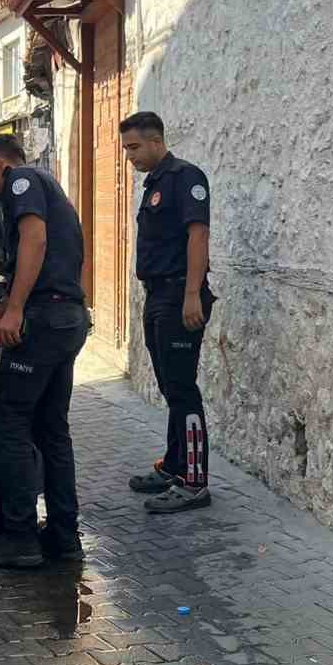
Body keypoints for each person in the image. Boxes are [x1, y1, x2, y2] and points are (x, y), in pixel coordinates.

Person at [0, 135, 90, 569]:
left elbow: (34, 243)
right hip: (66, 316)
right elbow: (38, 265)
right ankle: (62, 535)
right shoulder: (47, 183)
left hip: (43, 321)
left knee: (11, 424)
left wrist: (15, 312)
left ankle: (17, 537)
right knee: (52, 430)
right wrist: (0, 310)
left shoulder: (21, 182)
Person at [121, 112, 218, 512]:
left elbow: (199, 235)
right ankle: (174, 465)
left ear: (157, 141)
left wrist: (192, 295)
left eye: (134, 147)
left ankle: (194, 482)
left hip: (180, 295)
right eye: (126, 149)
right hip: (158, 295)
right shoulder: (156, 184)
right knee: (169, 387)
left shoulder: (185, 178)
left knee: (183, 390)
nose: (130, 156)